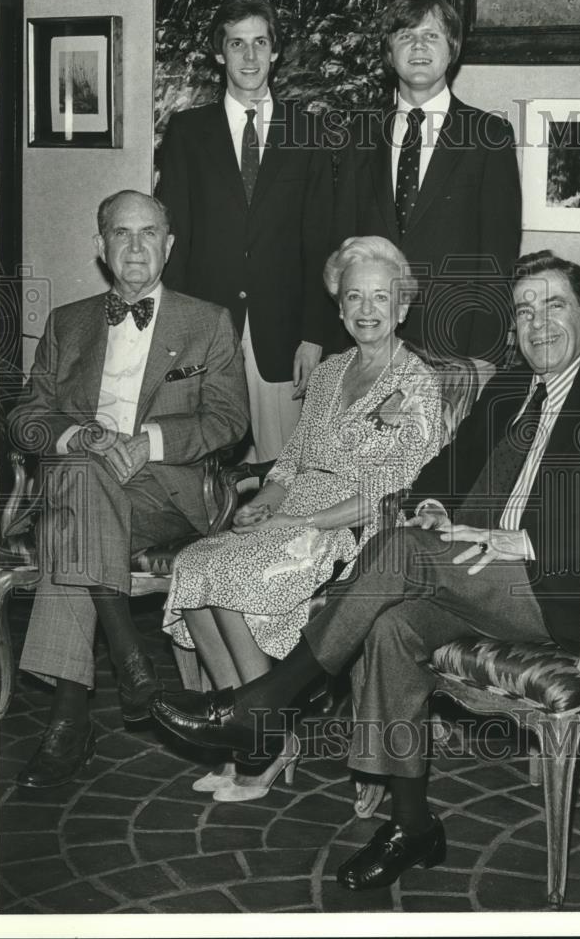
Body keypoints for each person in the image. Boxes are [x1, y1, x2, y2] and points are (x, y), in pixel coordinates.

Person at [151, 249, 580, 889]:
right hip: (483, 573)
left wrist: (526, 541)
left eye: (555, 305)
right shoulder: (510, 387)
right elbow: (445, 472)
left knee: (396, 550)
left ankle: (268, 702)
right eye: (525, 310)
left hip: (576, 592)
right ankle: (412, 825)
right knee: (393, 623)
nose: (539, 323)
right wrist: (430, 505)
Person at [161, 235, 447, 801]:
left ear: (402, 307)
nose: (367, 310)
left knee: (232, 576)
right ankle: (245, 733)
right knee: (194, 564)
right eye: (354, 297)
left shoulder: (417, 384)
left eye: (380, 298)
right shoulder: (330, 373)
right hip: (293, 512)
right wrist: (266, 499)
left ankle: (265, 734)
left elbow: (393, 486)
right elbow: (293, 458)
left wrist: (303, 525)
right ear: (339, 307)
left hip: (353, 527)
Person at [9, 190, 249, 789]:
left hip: (162, 492)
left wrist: (150, 441)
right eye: (121, 233)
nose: (136, 246)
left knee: (72, 509)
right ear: (100, 247)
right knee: (80, 480)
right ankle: (127, 661)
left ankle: (74, 715)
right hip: (84, 483)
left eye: (149, 234)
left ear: (169, 246)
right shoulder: (68, 321)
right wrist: (83, 436)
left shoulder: (208, 321)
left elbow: (228, 421)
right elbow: (25, 417)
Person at [157, 0, 336, 462]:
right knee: (208, 467)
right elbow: (175, 241)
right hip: (208, 332)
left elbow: (320, 241)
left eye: (260, 43)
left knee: (284, 473)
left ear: (275, 52)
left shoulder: (308, 131)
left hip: (283, 336)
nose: (250, 57)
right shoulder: (187, 131)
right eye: (237, 44)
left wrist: (314, 335)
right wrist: (179, 337)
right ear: (221, 54)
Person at [334, 0, 521, 365]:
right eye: (405, 35)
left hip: (454, 342)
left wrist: (482, 357)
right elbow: (343, 244)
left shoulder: (489, 134)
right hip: (370, 340)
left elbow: (497, 256)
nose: (418, 46)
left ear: (451, 50)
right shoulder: (359, 134)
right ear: (389, 53)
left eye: (431, 35)